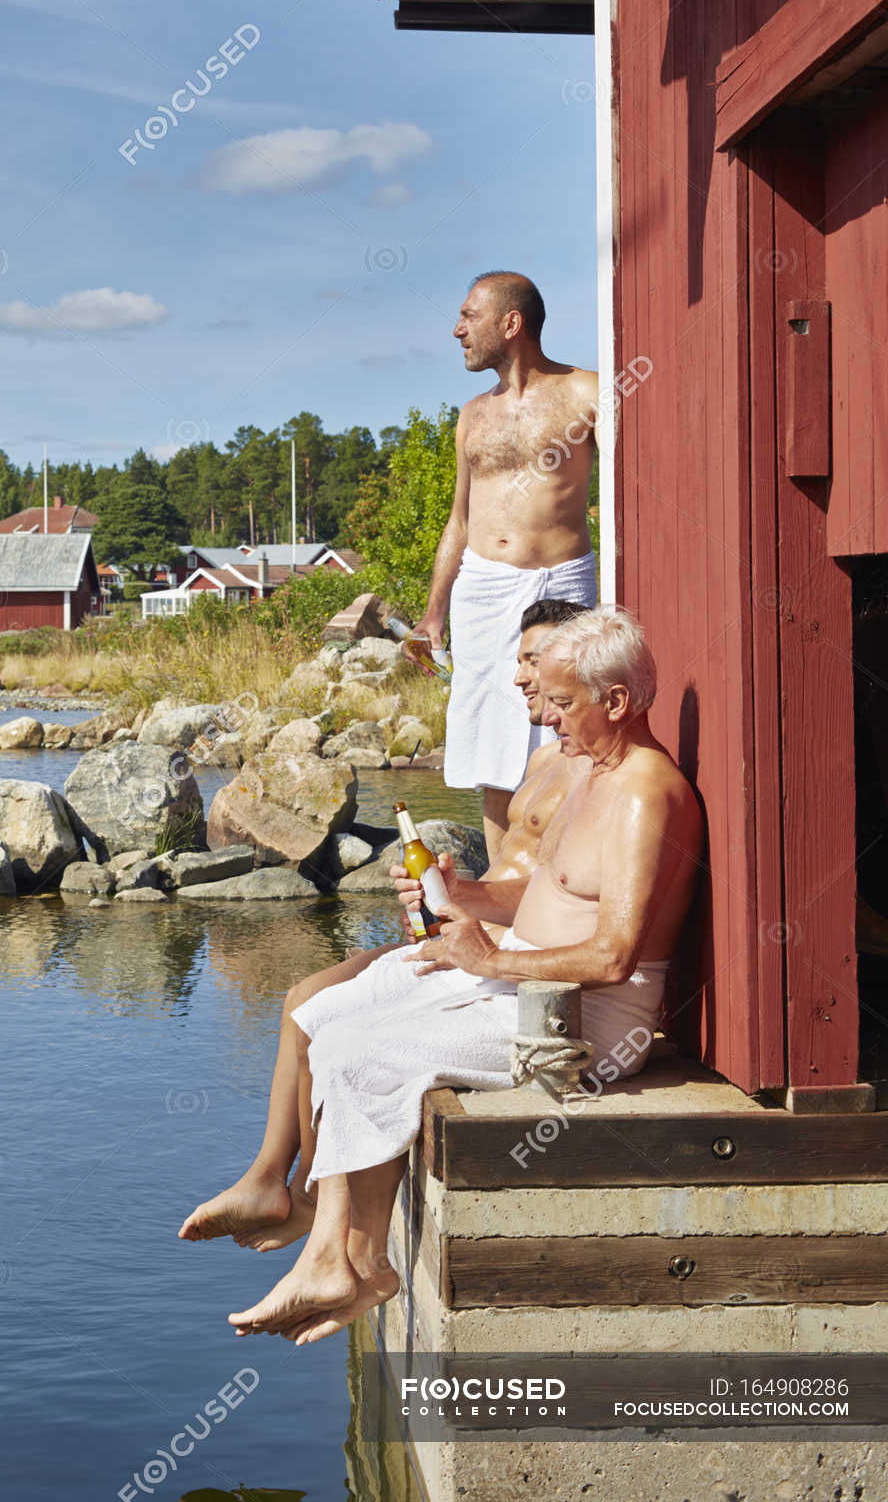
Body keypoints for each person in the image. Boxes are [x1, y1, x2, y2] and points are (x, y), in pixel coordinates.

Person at [225, 607, 702, 1345]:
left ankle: (346, 1257)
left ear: (616, 702)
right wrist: (459, 899)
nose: (548, 721)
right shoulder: (591, 772)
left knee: (359, 1051)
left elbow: (614, 957)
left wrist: (489, 959)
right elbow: (552, 898)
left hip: (585, 1024)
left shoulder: (646, 794)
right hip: (524, 983)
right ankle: (347, 1256)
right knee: (328, 1019)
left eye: (563, 703)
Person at [178, 598, 591, 1253]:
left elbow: (563, 907)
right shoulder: (542, 764)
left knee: (323, 1015)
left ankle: (313, 1204)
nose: (519, 677)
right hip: (478, 934)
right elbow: (522, 884)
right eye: (518, 660)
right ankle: (268, 1178)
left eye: (532, 660)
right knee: (298, 999)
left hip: (509, 962)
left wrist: (473, 930)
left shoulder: (594, 779)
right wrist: (454, 896)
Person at [406, 271, 598, 855]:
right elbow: (459, 519)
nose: (456, 330)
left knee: (567, 724)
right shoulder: (472, 415)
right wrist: (432, 614)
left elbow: (631, 496)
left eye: (469, 316)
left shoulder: (588, 392)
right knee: (491, 741)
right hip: (483, 589)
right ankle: (501, 879)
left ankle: (561, 875)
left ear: (510, 324)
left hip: (563, 582)